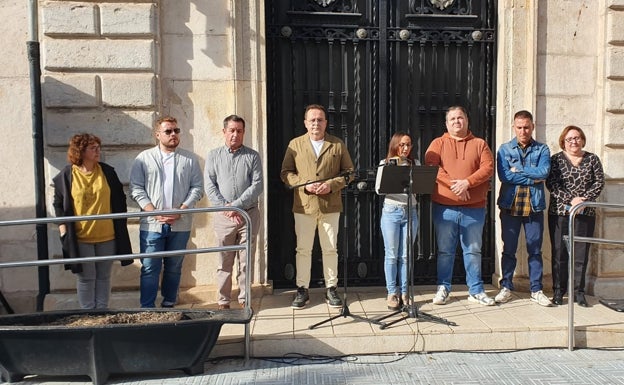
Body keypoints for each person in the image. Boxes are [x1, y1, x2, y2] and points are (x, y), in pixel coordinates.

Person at [280, 104, 355, 310]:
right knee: (303, 249)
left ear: (326, 123)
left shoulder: (337, 144)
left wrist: (330, 185)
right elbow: (286, 172)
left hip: (330, 206)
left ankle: (331, 288)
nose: (316, 123)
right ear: (305, 123)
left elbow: (349, 173)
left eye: (320, 119)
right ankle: (302, 289)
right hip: (304, 206)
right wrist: (304, 183)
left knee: (330, 249)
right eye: (312, 120)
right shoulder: (295, 145)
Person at [129, 116, 204, 308]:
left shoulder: (189, 159)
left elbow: (197, 188)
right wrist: (153, 212)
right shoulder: (144, 159)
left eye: (176, 131)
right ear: (157, 135)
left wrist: (181, 210)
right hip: (152, 224)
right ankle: (147, 309)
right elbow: (136, 188)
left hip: (180, 223)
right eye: (168, 131)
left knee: (174, 267)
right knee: (149, 267)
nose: (173, 135)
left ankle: (169, 304)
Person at [52, 133, 133, 309]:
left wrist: (120, 222)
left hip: (107, 235)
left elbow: (120, 198)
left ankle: (102, 312)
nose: (98, 151)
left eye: (98, 147)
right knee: (86, 278)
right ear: (80, 151)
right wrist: (63, 228)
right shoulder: (67, 175)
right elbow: (58, 203)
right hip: (81, 237)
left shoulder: (107, 172)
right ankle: (88, 314)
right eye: (93, 148)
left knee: (104, 276)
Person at [425, 105, 495, 306]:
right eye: (453, 119)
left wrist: (468, 183)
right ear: (447, 124)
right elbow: (431, 166)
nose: (457, 121)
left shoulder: (480, 144)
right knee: (445, 251)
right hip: (444, 207)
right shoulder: (437, 143)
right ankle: (443, 287)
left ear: (467, 120)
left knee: (473, 250)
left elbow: (488, 168)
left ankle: (476, 290)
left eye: (460, 118)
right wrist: (455, 184)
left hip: (474, 208)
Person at [204, 115, 263, 310]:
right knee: (224, 260)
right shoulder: (213, 156)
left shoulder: (252, 156)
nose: (235, 134)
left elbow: (257, 185)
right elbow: (210, 186)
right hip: (224, 217)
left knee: (246, 260)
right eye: (231, 130)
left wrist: (236, 205)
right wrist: (227, 208)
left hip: (248, 214)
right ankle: (223, 300)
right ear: (224, 132)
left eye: (239, 131)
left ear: (243, 133)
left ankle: (245, 298)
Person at [494, 110, 552, 307]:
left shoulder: (542, 149)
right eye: (519, 127)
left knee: (535, 250)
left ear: (532, 126)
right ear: (513, 127)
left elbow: (544, 171)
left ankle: (536, 289)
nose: (523, 131)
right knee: (508, 249)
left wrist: (518, 170)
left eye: (526, 127)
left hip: (534, 206)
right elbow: (505, 177)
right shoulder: (504, 149)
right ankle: (506, 287)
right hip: (510, 205)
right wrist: (532, 177)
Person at [546, 126, 605, 307]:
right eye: (570, 139)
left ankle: (578, 292)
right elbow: (552, 184)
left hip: (585, 213)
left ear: (583, 140)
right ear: (563, 141)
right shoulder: (555, 160)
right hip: (560, 213)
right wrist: (571, 200)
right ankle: (558, 291)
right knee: (559, 253)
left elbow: (599, 182)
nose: (574, 142)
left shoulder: (592, 159)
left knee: (580, 254)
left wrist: (583, 200)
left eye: (577, 138)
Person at [377, 132, 419, 310]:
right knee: (392, 254)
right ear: (395, 145)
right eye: (402, 145)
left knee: (406, 254)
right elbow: (379, 189)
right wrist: (392, 176)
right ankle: (392, 292)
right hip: (392, 211)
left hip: (410, 211)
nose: (405, 148)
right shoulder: (385, 163)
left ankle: (404, 292)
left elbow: (420, 188)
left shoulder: (414, 164)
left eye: (408, 145)